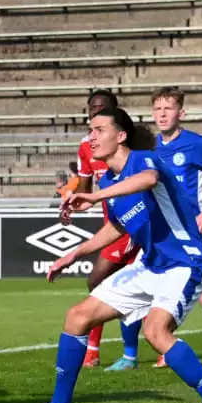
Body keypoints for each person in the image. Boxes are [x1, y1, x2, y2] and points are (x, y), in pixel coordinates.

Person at [14, 108, 202, 403]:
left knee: (155, 332)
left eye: (98, 130)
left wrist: (93, 196)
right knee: (77, 316)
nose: (90, 137)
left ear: (121, 135)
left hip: (185, 261)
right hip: (150, 264)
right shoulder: (109, 179)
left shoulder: (143, 161)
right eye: (89, 130)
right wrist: (72, 254)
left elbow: (148, 180)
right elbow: (119, 226)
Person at [122, 87, 202, 378]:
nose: (162, 115)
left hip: (191, 230)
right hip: (162, 233)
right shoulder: (151, 149)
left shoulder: (195, 144)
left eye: (168, 109)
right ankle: (143, 352)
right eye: (157, 110)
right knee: (139, 285)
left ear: (181, 113)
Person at [71, 89, 142, 369]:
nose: (96, 110)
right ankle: (115, 352)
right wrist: (74, 199)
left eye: (102, 107)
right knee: (120, 285)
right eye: (92, 107)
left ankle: (106, 351)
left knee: (99, 280)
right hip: (114, 223)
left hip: (136, 222)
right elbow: (86, 188)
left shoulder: (131, 143)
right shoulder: (87, 146)